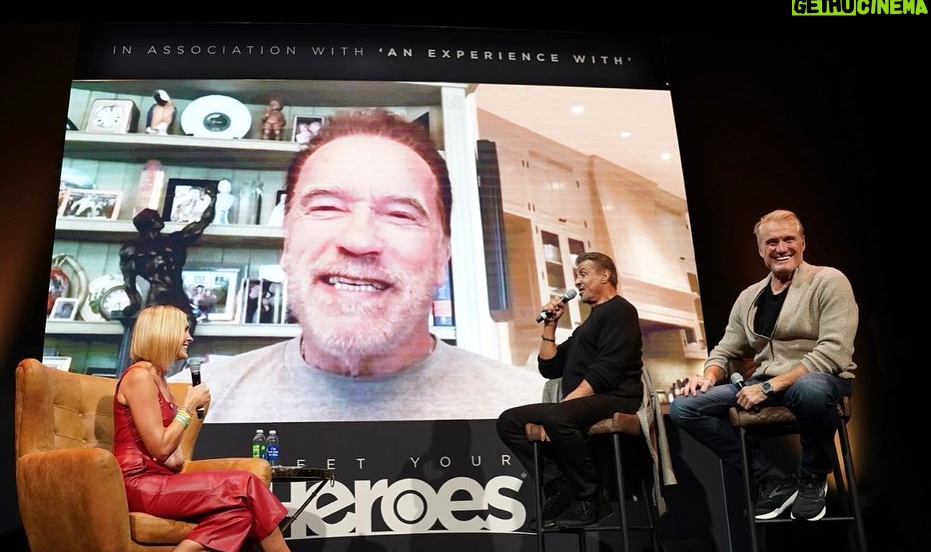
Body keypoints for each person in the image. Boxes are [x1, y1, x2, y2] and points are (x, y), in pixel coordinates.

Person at [190, 108, 543, 422]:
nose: (359, 241)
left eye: (401, 214)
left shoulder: (539, 414)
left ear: (441, 256)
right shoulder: (173, 412)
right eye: (326, 207)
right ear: (287, 242)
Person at [113, 304, 349, 552]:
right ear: (164, 332)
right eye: (184, 329)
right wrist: (187, 408)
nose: (189, 337)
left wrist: (193, 415)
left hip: (159, 478)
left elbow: (174, 455)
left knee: (237, 516)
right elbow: (159, 446)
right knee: (246, 483)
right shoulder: (139, 377)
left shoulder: (159, 380)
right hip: (138, 483)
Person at [668, 209, 858, 522]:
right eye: (772, 242)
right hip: (768, 385)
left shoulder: (828, 281)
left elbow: (833, 352)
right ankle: (773, 479)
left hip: (822, 379)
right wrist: (709, 376)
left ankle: (812, 477)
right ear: (760, 250)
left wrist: (769, 386)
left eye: (788, 239)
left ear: (802, 243)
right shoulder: (749, 297)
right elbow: (727, 348)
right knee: (684, 407)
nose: (781, 247)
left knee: (809, 389)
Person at [496, 251, 644, 528]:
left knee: (556, 417)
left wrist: (565, 405)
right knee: (509, 421)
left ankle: (590, 497)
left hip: (615, 397)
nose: (577, 281)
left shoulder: (620, 310)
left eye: (583, 273)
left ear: (605, 275)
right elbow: (550, 367)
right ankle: (559, 485)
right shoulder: (588, 325)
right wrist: (551, 326)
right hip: (587, 400)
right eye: (577, 275)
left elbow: (606, 370)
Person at [119, 196, 216, 331]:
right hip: (157, 295)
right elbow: (129, 282)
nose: (159, 218)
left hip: (177, 293)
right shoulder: (135, 250)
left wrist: (212, 201)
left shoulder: (175, 240)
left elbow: (202, 223)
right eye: (155, 216)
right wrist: (134, 304)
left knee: (188, 325)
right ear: (148, 223)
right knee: (156, 336)